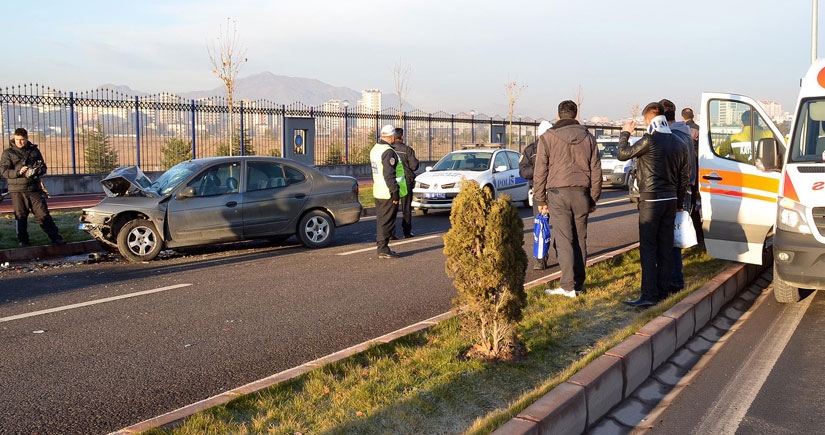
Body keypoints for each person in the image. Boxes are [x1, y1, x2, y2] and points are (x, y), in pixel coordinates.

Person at [618, 103, 689, 308]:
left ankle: (649, 294)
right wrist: (679, 201)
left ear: (648, 119)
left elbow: (623, 154)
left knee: (649, 249)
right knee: (666, 248)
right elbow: (683, 176)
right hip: (670, 200)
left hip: (651, 199)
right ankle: (664, 291)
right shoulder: (678, 142)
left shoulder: (649, 139)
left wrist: (625, 134)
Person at [533, 101, 601, 297]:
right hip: (582, 194)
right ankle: (578, 284)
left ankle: (568, 286)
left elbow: (540, 172)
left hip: (557, 194)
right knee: (580, 239)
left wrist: (540, 199)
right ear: (576, 114)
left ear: (558, 115)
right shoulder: (589, 137)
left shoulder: (547, 138)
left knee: (564, 240)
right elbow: (596, 169)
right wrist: (593, 198)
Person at [0, 128, 65, 247]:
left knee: (43, 214)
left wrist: (36, 171)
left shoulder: (34, 151)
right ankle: (23, 241)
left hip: (34, 188)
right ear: (14, 139)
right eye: (18, 140)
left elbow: (43, 167)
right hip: (17, 189)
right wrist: (19, 172)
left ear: (26, 138)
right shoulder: (8, 153)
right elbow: (4, 172)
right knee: (21, 215)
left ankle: (56, 238)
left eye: (23, 140)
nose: (20, 142)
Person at [660, 99, 697, 294]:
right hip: (686, 190)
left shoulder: (673, 137)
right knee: (674, 237)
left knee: (670, 238)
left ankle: (674, 280)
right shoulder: (686, 134)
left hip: (676, 192)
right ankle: (675, 278)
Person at [519, 120, 553, 270]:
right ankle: (540, 258)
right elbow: (523, 170)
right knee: (540, 225)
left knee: (560, 226)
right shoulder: (530, 150)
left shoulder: (557, 147)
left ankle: (564, 254)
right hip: (539, 192)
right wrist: (538, 170)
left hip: (556, 191)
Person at [370, 124, 407, 259]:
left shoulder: (375, 148)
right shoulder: (388, 151)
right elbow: (389, 174)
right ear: (391, 137)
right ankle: (383, 248)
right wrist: (395, 192)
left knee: (381, 220)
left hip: (378, 190)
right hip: (388, 192)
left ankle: (382, 247)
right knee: (387, 221)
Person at [391, 127, 419, 239]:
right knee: (406, 208)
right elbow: (414, 166)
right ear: (402, 137)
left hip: (392, 181)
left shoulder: (389, 149)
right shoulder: (407, 150)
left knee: (392, 207)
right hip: (406, 181)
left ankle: (391, 233)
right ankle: (407, 232)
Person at [681, 107, 703, 245]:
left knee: (685, 206)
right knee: (695, 204)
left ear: (682, 117)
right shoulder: (698, 129)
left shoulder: (681, 130)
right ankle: (699, 236)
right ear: (693, 116)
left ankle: (688, 237)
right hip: (698, 167)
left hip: (686, 169)